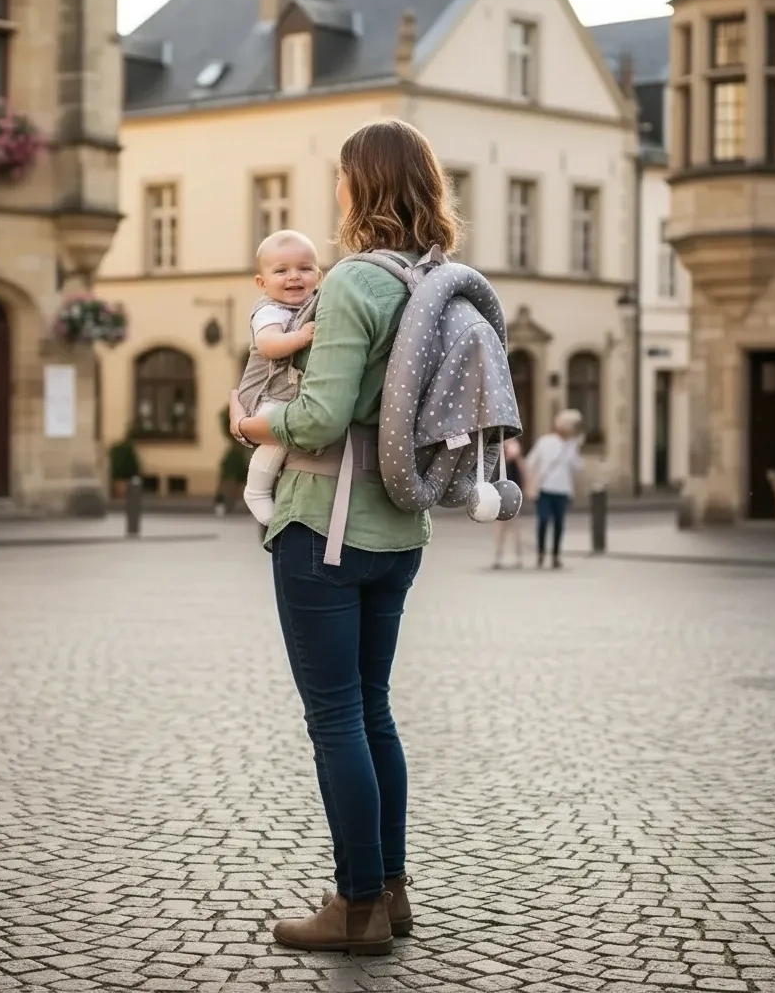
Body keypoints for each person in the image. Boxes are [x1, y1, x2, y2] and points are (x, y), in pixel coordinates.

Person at [230, 119, 460, 955]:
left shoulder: (356, 283)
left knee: (335, 718)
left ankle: (356, 904)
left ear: (360, 186)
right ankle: (391, 891)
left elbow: (322, 414)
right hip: (403, 527)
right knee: (373, 711)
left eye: (341, 177)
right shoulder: (434, 277)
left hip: (325, 524)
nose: (336, 190)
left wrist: (258, 426)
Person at [236, 230, 319, 524]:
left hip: (286, 392)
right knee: (278, 435)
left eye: (304, 268)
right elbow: (269, 346)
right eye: (281, 271)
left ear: (318, 276)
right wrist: (301, 337)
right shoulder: (270, 310)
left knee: (289, 433)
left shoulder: (313, 304)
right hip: (265, 393)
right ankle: (256, 490)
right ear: (262, 283)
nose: (294, 277)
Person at [526, 410, 584, 569]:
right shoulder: (545, 441)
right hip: (545, 488)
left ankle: (556, 556)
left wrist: (575, 447)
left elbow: (577, 467)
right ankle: (541, 553)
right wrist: (531, 480)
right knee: (543, 521)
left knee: (559, 523)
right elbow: (531, 462)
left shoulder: (571, 445)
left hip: (563, 490)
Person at [492, 437, 527, 569]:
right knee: (501, 528)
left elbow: (522, 473)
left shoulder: (514, 456)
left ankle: (518, 557)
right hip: (499, 495)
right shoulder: (498, 455)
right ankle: (499, 556)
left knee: (515, 528)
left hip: (513, 496)